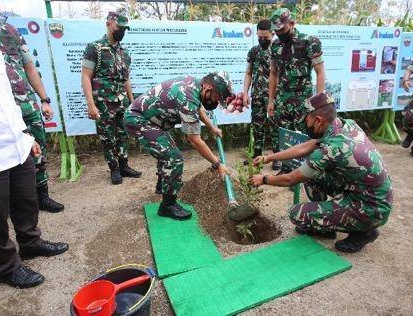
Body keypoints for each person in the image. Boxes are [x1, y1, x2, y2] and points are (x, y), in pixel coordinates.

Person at [251, 91, 393, 253]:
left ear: (318, 121)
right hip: (362, 192)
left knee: (297, 214)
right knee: (312, 176)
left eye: (306, 121)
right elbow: (307, 146)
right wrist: (268, 158)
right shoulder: (345, 125)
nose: (305, 125)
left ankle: (364, 232)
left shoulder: (331, 149)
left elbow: (291, 179)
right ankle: (326, 227)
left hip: (372, 208)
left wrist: (263, 179)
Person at [0, 2, 68, 288]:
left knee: (26, 198)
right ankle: (7, 266)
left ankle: (30, 242)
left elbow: (6, 100)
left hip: (15, 141)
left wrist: (25, 135)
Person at [124, 72, 231, 220]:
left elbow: (198, 108)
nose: (216, 102)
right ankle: (168, 206)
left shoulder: (195, 86)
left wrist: (211, 127)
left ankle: (164, 186)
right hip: (138, 120)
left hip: (150, 120)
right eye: (216, 98)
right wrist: (218, 164)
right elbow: (194, 140)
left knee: (168, 153)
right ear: (208, 89)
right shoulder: (187, 97)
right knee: (173, 158)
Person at [0, 16, 64, 213]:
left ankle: (42, 195)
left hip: (27, 105)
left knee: (38, 152)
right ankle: (7, 205)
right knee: (3, 160)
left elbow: (30, 67)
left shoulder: (11, 31)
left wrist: (44, 99)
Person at [81, 11, 141, 184]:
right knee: (107, 137)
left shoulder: (124, 52)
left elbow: (126, 79)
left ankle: (124, 165)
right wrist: (90, 104)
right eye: (119, 27)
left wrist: (132, 101)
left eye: (124, 28)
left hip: (121, 102)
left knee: (122, 134)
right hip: (103, 103)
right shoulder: (95, 48)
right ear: (109, 23)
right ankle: (114, 168)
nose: (121, 31)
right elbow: (86, 76)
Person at [268, 8, 325, 175]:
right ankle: (286, 169)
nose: (279, 33)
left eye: (283, 30)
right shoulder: (275, 45)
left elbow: (320, 72)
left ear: (292, 23)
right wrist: (271, 100)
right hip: (282, 100)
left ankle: (306, 172)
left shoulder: (309, 42)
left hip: (303, 100)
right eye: (276, 31)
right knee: (285, 136)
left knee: (305, 136)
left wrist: (320, 102)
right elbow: (273, 73)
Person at [242, 19, 277, 167]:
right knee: (257, 126)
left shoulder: (278, 51)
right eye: (260, 37)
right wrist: (245, 93)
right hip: (257, 95)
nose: (263, 40)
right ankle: (256, 156)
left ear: (272, 34)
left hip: (274, 96)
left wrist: (273, 98)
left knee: (276, 126)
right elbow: (248, 73)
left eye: (266, 38)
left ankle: (277, 158)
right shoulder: (254, 51)